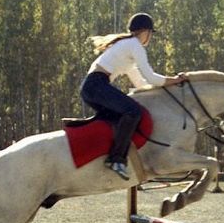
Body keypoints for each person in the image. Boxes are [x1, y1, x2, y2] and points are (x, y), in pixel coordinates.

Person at [80, 12, 187, 180]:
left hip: (92, 87)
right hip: (96, 85)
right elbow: (151, 77)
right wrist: (175, 80)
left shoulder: (128, 48)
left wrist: (162, 90)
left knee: (123, 116)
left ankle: (109, 155)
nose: (150, 38)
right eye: (150, 33)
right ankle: (116, 160)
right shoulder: (134, 45)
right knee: (133, 112)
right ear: (144, 31)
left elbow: (141, 84)